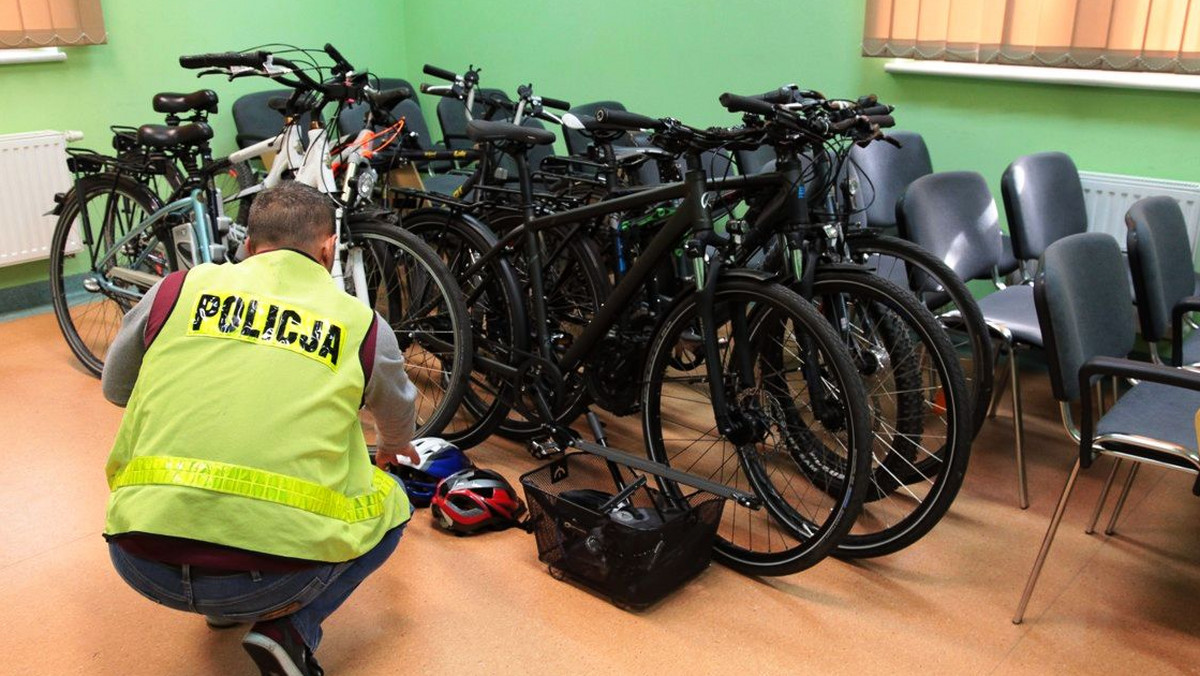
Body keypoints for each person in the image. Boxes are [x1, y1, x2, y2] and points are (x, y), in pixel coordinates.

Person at [101, 181, 419, 676]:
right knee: (393, 499)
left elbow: (116, 390)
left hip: (139, 557)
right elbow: (399, 418)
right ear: (328, 249)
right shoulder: (361, 323)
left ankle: (220, 607)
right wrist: (393, 447)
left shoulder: (177, 289)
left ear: (248, 246)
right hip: (278, 579)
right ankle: (292, 629)